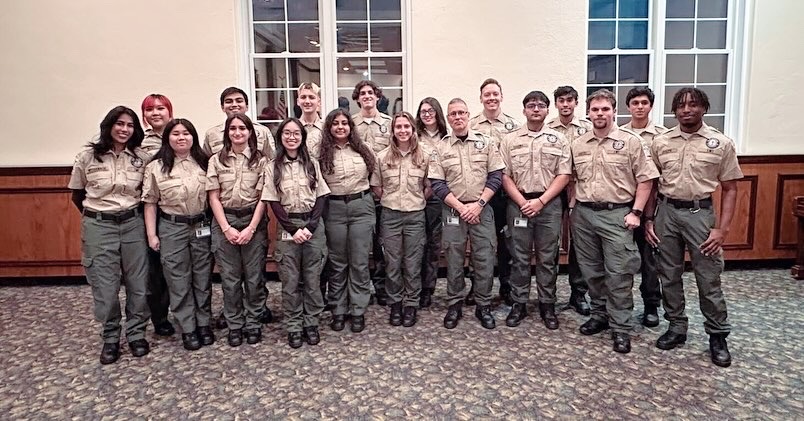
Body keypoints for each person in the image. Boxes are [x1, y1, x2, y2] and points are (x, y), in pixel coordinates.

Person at [645, 87, 743, 367]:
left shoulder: (720, 143)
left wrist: (721, 230)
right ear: (674, 110)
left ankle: (717, 334)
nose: (687, 109)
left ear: (704, 108)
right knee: (669, 274)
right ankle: (676, 326)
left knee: (708, 277)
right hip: (666, 213)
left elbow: (731, 189)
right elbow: (652, 183)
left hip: (701, 215)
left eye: (693, 104)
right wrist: (650, 218)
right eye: (681, 105)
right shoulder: (661, 142)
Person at [571, 89, 659, 354]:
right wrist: (574, 207)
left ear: (614, 111)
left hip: (617, 215)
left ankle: (621, 327)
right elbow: (571, 178)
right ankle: (599, 315)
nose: (600, 114)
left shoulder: (630, 142)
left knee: (619, 273)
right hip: (585, 215)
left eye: (605, 109)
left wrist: (637, 212)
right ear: (588, 113)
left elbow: (646, 179)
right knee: (591, 271)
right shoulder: (578, 144)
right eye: (595, 109)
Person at [68, 106, 151, 364]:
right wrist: (100, 216)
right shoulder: (88, 157)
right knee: (105, 286)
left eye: (130, 125)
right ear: (109, 126)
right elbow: (77, 195)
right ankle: (111, 337)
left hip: (132, 223)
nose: (124, 130)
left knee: (138, 283)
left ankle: (137, 333)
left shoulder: (142, 158)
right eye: (120, 124)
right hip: (99, 225)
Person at [429, 98, 506, 330]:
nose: (458, 117)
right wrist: (462, 208)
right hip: (453, 209)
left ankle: (483, 304)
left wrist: (479, 204)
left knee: (484, 258)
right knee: (453, 258)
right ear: (449, 118)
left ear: (468, 115)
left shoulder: (486, 143)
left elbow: (496, 176)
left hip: (482, 208)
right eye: (453, 114)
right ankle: (455, 303)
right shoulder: (441, 147)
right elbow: (437, 183)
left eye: (461, 112)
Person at [498, 91, 571, 329]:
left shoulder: (559, 140)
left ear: (548, 110)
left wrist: (541, 201)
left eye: (541, 105)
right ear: (524, 110)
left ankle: (546, 304)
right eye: (531, 106)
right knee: (519, 258)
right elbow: (504, 175)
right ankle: (519, 303)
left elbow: (564, 174)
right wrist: (522, 202)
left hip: (548, 205)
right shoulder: (510, 140)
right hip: (518, 204)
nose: (536, 109)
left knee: (547, 258)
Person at [203, 86, 274, 328]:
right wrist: (225, 228)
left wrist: (252, 229)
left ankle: (254, 319)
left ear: (251, 132)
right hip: (225, 221)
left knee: (254, 276)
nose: (237, 132)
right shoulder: (216, 159)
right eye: (232, 128)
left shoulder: (261, 159)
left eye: (242, 128)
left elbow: (265, 194)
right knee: (230, 278)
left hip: (253, 219)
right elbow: (213, 196)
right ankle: (234, 321)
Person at [142, 118, 214, 351]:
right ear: (167, 138)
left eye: (186, 133)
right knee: (178, 279)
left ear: (193, 137)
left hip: (201, 225)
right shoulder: (156, 167)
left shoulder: (205, 163)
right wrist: (152, 235)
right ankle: (188, 327)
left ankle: (204, 323)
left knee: (202, 278)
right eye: (175, 134)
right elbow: (150, 203)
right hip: (172, 227)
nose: (181, 138)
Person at [262, 118, 330, 348]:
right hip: (288, 226)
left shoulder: (312, 163)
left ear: (302, 137)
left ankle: (311, 323)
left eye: (296, 133)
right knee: (290, 281)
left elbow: (321, 196)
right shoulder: (273, 166)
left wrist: (310, 227)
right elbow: (273, 201)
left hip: (312, 225)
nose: (292, 137)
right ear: (280, 136)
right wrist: (293, 230)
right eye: (287, 133)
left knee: (312, 279)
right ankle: (293, 325)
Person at [319, 109, 379, 333]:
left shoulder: (363, 150)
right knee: (337, 262)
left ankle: (358, 310)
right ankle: (338, 309)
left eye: (345, 123)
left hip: (361, 206)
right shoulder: (321, 153)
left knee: (360, 261)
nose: (341, 127)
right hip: (333, 208)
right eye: (336, 123)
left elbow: (374, 178)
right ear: (329, 127)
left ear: (351, 127)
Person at [373, 112, 429, 327]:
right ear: (393, 130)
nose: (403, 131)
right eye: (399, 127)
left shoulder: (424, 156)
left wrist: (415, 201)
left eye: (407, 127)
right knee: (392, 262)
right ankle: (395, 303)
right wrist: (392, 200)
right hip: (390, 215)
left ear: (413, 130)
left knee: (413, 263)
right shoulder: (382, 157)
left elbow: (428, 186)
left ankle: (411, 304)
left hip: (415, 215)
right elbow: (377, 187)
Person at [468, 78, 520, 306]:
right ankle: (476, 286)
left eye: (495, 94)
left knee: (507, 241)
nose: (491, 98)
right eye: (487, 95)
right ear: (481, 98)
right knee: (480, 243)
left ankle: (506, 286)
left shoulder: (514, 126)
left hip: (505, 194)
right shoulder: (471, 126)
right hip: (482, 195)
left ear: (502, 96)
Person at [621, 87, 668, 327]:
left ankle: (651, 306)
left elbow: (659, 175)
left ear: (650, 106)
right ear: (628, 107)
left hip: (655, 206)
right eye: (635, 103)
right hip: (625, 204)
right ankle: (620, 306)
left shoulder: (662, 136)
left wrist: (648, 215)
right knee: (621, 260)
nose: (639, 107)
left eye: (644, 103)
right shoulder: (618, 135)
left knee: (650, 259)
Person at [547, 86, 593, 316]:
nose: (565, 104)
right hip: (552, 191)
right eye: (561, 101)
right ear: (556, 104)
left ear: (576, 103)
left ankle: (578, 292)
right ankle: (549, 293)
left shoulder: (587, 128)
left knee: (579, 243)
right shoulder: (546, 129)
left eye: (569, 100)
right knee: (550, 241)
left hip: (580, 190)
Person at [351, 80, 392, 305]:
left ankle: (381, 286)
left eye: (371, 93)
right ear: (357, 98)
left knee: (381, 243)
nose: (367, 96)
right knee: (359, 244)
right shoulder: (350, 124)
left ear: (377, 97)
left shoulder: (389, 123)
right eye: (362, 93)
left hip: (384, 191)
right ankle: (360, 288)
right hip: (359, 190)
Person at [140, 94, 176, 338]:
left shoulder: (181, 135)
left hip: (177, 211)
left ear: (169, 112)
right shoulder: (138, 143)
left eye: (161, 108)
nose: (156, 113)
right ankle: (160, 318)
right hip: (149, 210)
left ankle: (188, 313)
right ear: (144, 115)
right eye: (150, 109)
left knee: (183, 268)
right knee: (156, 272)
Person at [415, 97, 448, 308]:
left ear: (437, 113)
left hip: (438, 198)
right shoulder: (414, 137)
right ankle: (413, 287)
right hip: (416, 198)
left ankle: (428, 288)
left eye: (430, 111)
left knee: (433, 245)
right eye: (423, 111)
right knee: (416, 245)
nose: (427, 114)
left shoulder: (447, 138)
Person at [203, 87, 276, 159]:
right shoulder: (212, 134)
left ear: (247, 106)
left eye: (239, 101)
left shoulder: (262, 131)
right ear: (222, 107)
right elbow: (206, 163)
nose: (234, 104)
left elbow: (272, 160)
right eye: (229, 101)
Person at [297, 82, 324, 158]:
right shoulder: (294, 128)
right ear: (298, 102)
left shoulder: (326, 128)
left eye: (311, 97)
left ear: (319, 102)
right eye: (303, 97)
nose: (307, 101)